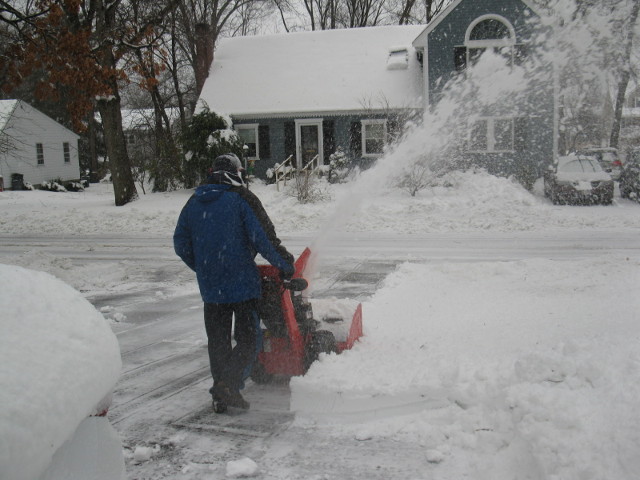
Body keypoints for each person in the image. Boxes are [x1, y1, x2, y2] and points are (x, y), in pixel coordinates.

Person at [173, 153, 295, 410]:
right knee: (249, 339)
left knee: (217, 341)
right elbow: (263, 238)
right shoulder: (240, 199)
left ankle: (221, 397)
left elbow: (181, 243)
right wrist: (285, 265)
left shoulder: (194, 202)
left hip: (211, 286)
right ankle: (228, 385)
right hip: (242, 284)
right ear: (238, 172)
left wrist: (205, 267)